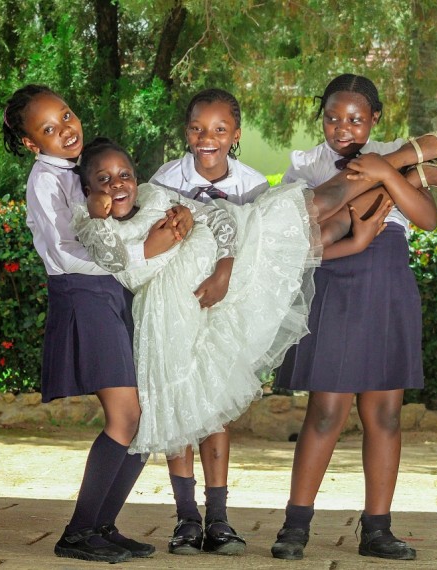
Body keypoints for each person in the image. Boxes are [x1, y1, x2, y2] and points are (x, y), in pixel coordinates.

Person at [72, 135, 404, 557]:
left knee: (302, 219)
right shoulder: (89, 221)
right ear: (87, 190)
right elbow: (121, 261)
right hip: (168, 319)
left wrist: (221, 263)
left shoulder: (156, 195)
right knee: (179, 407)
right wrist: (124, 225)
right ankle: (187, 518)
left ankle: (396, 165)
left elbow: (218, 220)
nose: (117, 185)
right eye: (103, 180)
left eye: (124, 175)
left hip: (220, 287)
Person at [271, 73, 437, 562]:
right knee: (325, 412)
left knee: (383, 412)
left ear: (375, 119)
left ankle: (377, 530)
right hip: (334, 277)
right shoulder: (305, 164)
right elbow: (301, 237)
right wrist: (390, 174)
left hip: (387, 281)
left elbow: (426, 219)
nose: (343, 128)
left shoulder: (384, 152)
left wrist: (385, 173)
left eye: (356, 119)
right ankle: (295, 527)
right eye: (333, 118)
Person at [0, 84, 193, 564]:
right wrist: (141, 252)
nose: (65, 129)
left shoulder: (82, 171)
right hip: (84, 296)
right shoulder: (45, 181)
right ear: (31, 143)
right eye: (48, 128)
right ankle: (78, 533)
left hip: (109, 294)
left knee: (142, 419)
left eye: (66, 115)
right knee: (126, 417)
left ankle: (101, 526)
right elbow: (68, 251)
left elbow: (114, 223)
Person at [146, 88, 271, 556]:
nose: (207, 138)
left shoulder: (254, 185)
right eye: (198, 128)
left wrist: (227, 276)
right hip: (174, 304)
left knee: (213, 407)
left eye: (220, 130)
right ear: (186, 131)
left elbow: (260, 251)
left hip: (227, 306)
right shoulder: (165, 179)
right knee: (179, 402)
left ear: (235, 135)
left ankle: (218, 520)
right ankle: (185, 520)